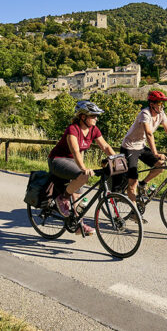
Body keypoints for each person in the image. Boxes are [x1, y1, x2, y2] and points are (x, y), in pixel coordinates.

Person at [47, 100, 116, 236]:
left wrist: (117, 160)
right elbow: (75, 151)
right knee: (83, 176)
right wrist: (84, 168)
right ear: (83, 117)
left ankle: (79, 225)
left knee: (78, 199)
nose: (96, 118)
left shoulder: (93, 130)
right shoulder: (73, 129)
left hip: (73, 162)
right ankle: (62, 198)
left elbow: (106, 147)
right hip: (58, 160)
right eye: (93, 116)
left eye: (96, 115)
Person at [120, 90, 167, 221]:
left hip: (140, 146)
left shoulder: (161, 114)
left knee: (160, 166)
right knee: (132, 182)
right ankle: (134, 212)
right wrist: (155, 153)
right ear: (151, 104)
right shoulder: (144, 114)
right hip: (129, 147)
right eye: (159, 103)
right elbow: (149, 133)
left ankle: (143, 183)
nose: (161, 106)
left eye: (162, 103)